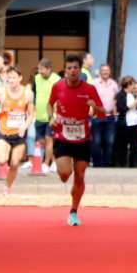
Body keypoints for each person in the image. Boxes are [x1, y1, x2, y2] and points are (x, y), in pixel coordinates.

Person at [48, 53, 103, 226]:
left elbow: (102, 113)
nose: (72, 71)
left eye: (76, 68)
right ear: (65, 70)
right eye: (69, 68)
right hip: (63, 136)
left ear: (80, 69)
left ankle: (73, 211)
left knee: (79, 176)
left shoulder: (89, 89)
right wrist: (51, 117)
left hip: (82, 138)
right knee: (65, 175)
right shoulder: (57, 87)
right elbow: (50, 104)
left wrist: (95, 107)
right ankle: (64, 171)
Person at [0, 65, 34, 195]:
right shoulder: (1, 92)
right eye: (9, 78)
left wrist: (24, 126)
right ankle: (5, 170)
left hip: (19, 134)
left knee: (14, 163)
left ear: (20, 78)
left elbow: (31, 114)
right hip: (4, 131)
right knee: (1, 160)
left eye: (14, 77)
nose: (11, 80)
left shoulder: (28, 94)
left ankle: (7, 187)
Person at [32, 58, 61, 174]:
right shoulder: (36, 78)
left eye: (42, 69)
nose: (39, 71)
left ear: (49, 69)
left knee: (49, 140)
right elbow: (34, 94)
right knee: (41, 141)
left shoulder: (57, 80)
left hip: (51, 116)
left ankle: (45, 164)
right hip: (38, 115)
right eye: (38, 69)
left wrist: (55, 115)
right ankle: (55, 161)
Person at [91, 64, 120, 167]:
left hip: (110, 117)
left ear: (110, 72)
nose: (105, 72)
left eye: (107, 70)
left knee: (110, 141)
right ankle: (97, 164)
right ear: (99, 72)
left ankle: (107, 163)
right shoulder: (94, 83)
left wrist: (116, 111)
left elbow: (116, 99)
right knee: (97, 142)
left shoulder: (114, 84)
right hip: (97, 116)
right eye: (103, 70)